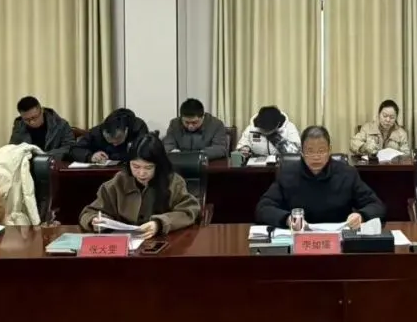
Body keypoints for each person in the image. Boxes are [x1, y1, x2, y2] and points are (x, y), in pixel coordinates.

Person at [255, 126, 385, 229]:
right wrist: (288, 219)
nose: (316, 157)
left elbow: (376, 205)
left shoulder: (347, 173)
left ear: (330, 150)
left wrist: (361, 215)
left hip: (338, 241)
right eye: (310, 151)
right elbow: (263, 208)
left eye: (321, 151)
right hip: (299, 239)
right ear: (302, 152)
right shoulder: (288, 173)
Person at [78, 134, 200, 236]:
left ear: (159, 165)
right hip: (125, 245)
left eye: (148, 167)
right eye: (135, 166)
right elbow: (89, 212)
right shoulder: (118, 182)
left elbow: (188, 211)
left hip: (162, 243)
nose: (141, 173)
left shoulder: (173, 182)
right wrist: (94, 220)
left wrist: (159, 224)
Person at [70, 107, 150, 163]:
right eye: (110, 141)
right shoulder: (97, 132)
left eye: (118, 139)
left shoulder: (138, 128)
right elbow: (75, 150)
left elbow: (145, 152)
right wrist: (90, 156)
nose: (114, 144)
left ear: (126, 130)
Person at [8, 95, 76, 160]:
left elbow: (70, 147)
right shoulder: (19, 126)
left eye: (34, 117)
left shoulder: (61, 125)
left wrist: (44, 155)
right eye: (27, 119)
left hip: (54, 163)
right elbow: (13, 149)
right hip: (28, 165)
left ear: (42, 111)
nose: (31, 122)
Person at [162, 98, 229, 160]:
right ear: (181, 118)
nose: (190, 126)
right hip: (180, 162)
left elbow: (220, 148)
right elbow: (168, 144)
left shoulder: (216, 125)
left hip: (207, 162)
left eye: (194, 122)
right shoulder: (174, 124)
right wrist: (172, 152)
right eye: (186, 122)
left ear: (202, 117)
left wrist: (201, 154)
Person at [236, 105, 301, 156]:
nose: (267, 132)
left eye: (270, 129)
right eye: (264, 129)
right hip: (257, 164)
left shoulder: (289, 127)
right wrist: (244, 149)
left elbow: (296, 151)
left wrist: (276, 138)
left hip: (282, 163)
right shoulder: (251, 128)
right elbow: (242, 144)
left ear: (278, 123)